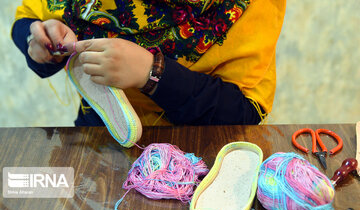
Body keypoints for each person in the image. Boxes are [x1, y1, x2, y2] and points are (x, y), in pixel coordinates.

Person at [12, 0, 286, 126]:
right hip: (103, 131)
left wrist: (153, 73)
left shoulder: (251, 5)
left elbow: (241, 114)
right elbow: (29, 19)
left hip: (202, 155)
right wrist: (40, 41)